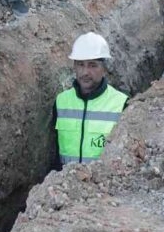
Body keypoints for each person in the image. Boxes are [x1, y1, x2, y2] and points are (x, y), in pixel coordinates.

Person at [53, 32, 127, 168]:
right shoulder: (61, 102)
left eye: (92, 65)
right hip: (66, 179)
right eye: (81, 65)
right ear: (74, 67)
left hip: (103, 180)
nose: (85, 72)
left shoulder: (121, 104)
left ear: (104, 69)